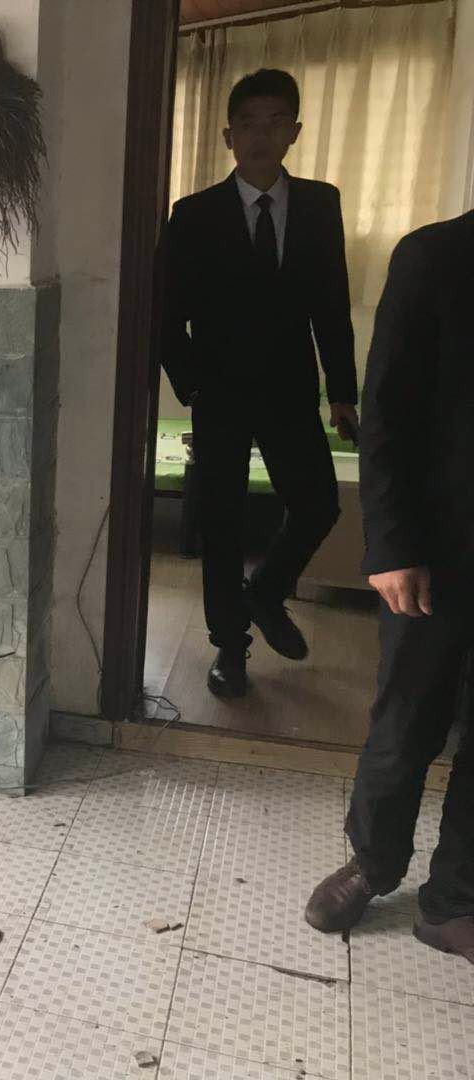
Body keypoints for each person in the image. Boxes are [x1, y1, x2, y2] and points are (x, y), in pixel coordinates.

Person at [304, 209, 474, 962]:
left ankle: (454, 900)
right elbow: (387, 414)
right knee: (408, 716)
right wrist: (393, 545)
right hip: (438, 549)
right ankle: (373, 863)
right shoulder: (437, 257)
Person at [161, 68, 358, 699]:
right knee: (220, 522)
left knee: (319, 502)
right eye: (247, 123)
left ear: (294, 131)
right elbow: (166, 311)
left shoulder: (320, 205)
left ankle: (267, 589)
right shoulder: (193, 214)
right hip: (218, 391)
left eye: (274, 122)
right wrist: (190, 385)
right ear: (228, 136)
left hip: (291, 388)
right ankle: (230, 647)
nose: (260, 135)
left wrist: (343, 391)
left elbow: (332, 303)